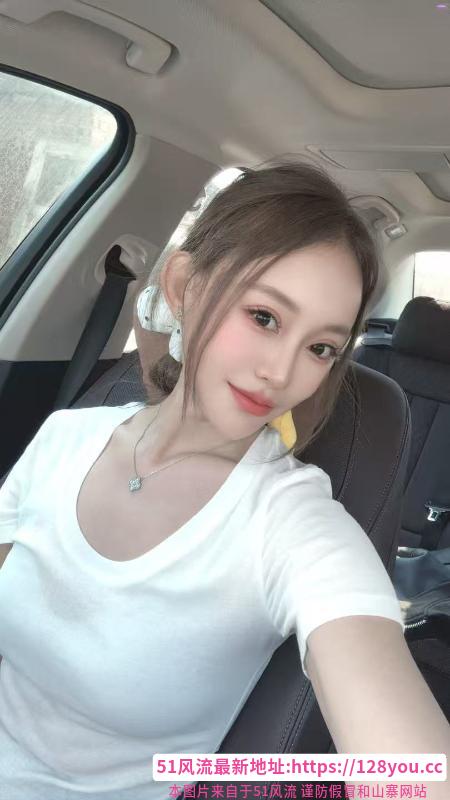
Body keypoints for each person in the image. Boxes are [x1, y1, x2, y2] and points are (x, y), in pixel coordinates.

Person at [0, 162, 448, 800]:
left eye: (321, 348)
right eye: (264, 317)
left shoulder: (294, 523)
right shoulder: (63, 439)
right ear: (184, 286)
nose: (281, 372)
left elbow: (411, 771)